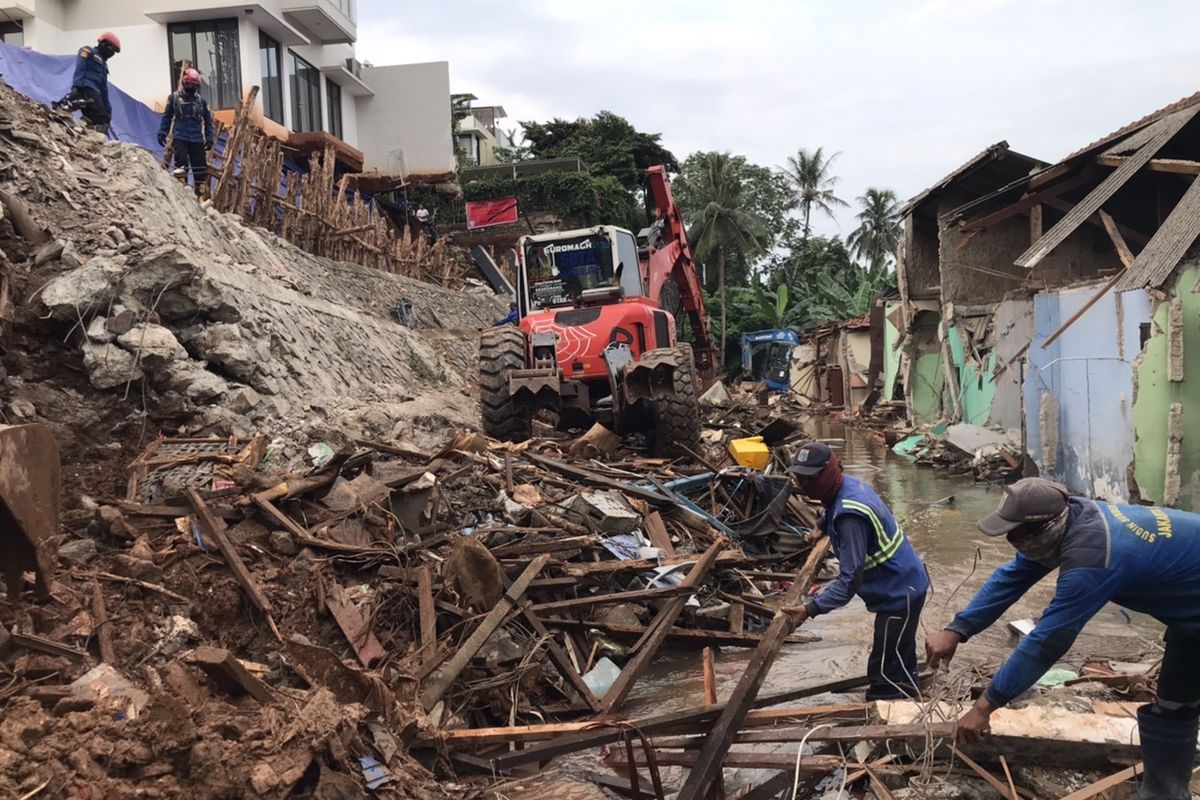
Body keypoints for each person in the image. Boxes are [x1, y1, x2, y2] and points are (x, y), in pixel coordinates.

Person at [925, 477, 1200, 800]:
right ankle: (1163, 794)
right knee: (1173, 704)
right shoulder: (1070, 522)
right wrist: (958, 628)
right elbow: (1010, 578)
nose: (1012, 541)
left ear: (1046, 527)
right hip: (1189, 618)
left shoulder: (1093, 558)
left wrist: (986, 706)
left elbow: (1049, 640)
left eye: (1016, 533)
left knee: (1177, 703)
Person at [782, 442, 929, 699]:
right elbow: (832, 503)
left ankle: (889, 718)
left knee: (885, 669)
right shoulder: (848, 485)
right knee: (897, 651)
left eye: (810, 479)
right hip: (907, 581)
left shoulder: (849, 517)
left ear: (826, 474)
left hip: (899, 594)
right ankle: (908, 687)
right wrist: (821, 525)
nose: (804, 486)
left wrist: (810, 609)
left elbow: (849, 581)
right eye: (800, 478)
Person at [157, 68, 215, 198]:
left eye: (194, 85)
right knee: (181, 167)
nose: (191, 87)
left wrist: (209, 137)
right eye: (189, 84)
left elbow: (208, 121)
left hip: (197, 139)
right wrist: (162, 132)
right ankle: (182, 194)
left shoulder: (201, 102)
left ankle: (199, 196)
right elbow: (167, 116)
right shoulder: (174, 98)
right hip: (180, 137)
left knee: (200, 169)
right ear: (184, 83)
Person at [53, 32, 120, 133]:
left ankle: (86, 130)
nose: (112, 54)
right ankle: (64, 105)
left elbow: (104, 88)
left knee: (103, 120)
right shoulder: (89, 51)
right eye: (112, 50)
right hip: (86, 86)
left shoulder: (103, 65)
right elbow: (80, 67)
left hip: (96, 92)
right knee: (99, 115)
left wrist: (108, 110)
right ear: (104, 44)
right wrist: (76, 86)